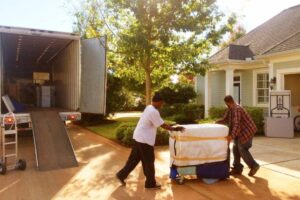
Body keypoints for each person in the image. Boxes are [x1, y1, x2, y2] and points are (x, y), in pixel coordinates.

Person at [116, 92, 184, 189]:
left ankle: (121, 175)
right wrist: (174, 129)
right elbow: (162, 125)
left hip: (138, 138)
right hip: (144, 141)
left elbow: (160, 121)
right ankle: (150, 183)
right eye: (161, 103)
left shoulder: (149, 108)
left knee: (133, 160)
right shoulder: (153, 112)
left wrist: (172, 125)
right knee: (149, 162)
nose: (162, 105)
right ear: (157, 102)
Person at [216, 95, 260, 176]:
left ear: (228, 102)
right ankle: (237, 168)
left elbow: (237, 124)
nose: (226, 105)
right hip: (240, 131)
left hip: (247, 131)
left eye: (226, 104)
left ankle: (254, 166)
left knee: (242, 148)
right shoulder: (231, 108)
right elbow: (225, 119)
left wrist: (231, 136)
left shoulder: (237, 109)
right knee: (235, 148)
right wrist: (216, 122)